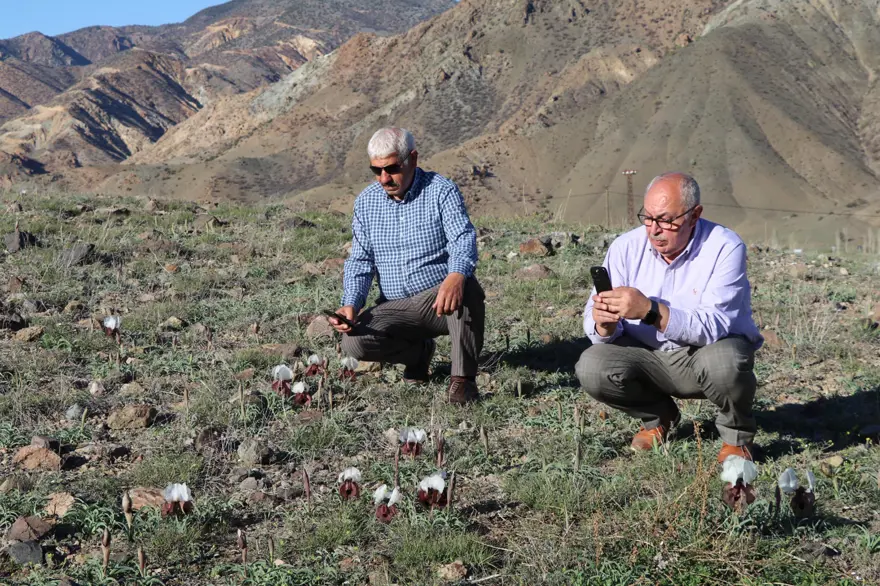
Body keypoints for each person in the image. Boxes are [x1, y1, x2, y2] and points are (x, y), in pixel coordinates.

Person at [575, 172, 763, 462]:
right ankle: (659, 418)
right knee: (591, 365)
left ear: (694, 214)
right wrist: (604, 324)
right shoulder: (625, 247)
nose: (654, 230)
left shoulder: (724, 247)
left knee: (726, 362)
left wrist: (650, 311)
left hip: (703, 354)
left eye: (665, 220)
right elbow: (594, 322)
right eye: (648, 218)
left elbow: (715, 325)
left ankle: (736, 438)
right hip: (647, 356)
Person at [329, 127, 485, 404]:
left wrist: (456, 275)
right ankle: (418, 354)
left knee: (467, 286)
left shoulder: (441, 190)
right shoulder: (366, 202)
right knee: (353, 342)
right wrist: (351, 303)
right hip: (395, 307)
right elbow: (361, 259)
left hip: (438, 301)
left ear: (412, 158)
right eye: (376, 171)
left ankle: (463, 381)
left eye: (391, 168)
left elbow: (463, 238)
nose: (384, 178)